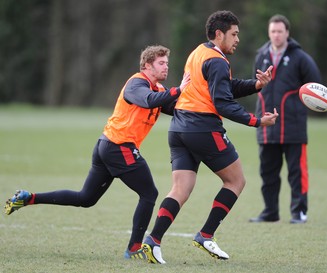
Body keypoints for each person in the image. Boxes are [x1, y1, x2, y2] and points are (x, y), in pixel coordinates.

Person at [4, 45, 190, 260]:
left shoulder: (158, 90)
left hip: (108, 146)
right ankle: (134, 249)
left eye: (167, 63)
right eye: (161, 63)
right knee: (149, 194)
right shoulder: (136, 83)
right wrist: (178, 90)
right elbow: (148, 100)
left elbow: (175, 107)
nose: (166, 67)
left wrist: (201, 101)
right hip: (119, 147)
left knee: (86, 198)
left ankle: (29, 198)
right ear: (147, 65)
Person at [140, 10, 279, 264]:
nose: (237, 39)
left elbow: (223, 87)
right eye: (234, 34)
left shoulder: (199, 52)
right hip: (203, 129)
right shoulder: (217, 60)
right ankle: (206, 235)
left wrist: (256, 85)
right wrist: (257, 121)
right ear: (219, 34)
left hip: (179, 128)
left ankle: (152, 241)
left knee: (180, 189)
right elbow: (223, 102)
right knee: (236, 181)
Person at [249, 14, 321, 224]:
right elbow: (256, 85)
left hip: (293, 126)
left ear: (287, 33)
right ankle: (270, 212)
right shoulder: (261, 55)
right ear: (268, 33)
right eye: (273, 31)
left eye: (280, 31)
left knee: (297, 174)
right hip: (266, 125)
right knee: (267, 173)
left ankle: (299, 212)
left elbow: (316, 86)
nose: (276, 35)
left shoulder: (301, 57)